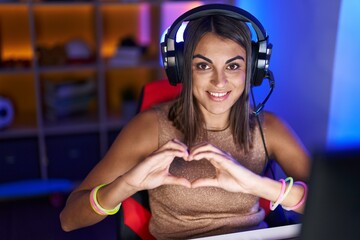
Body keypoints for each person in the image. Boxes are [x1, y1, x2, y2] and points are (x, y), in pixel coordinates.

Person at [60, 4, 310, 239]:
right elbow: (69, 219)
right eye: (203, 65)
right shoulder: (150, 128)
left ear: (254, 69)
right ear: (181, 68)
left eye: (233, 66)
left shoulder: (269, 128)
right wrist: (127, 184)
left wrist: (257, 184)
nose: (219, 81)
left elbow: (333, 201)